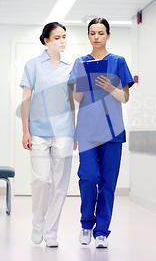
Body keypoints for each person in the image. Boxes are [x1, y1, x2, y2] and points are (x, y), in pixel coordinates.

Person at [68, 17, 134, 248]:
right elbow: (76, 99)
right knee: (88, 177)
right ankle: (86, 224)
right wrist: (80, 84)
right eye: (92, 33)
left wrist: (109, 87)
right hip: (86, 131)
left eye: (101, 33)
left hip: (112, 132)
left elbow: (125, 97)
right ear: (88, 36)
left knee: (107, 183)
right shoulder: (81, 63)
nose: (97, 37)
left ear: (107, 35)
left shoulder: (118, 62)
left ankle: (101, 231)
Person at [20, 22, 76, 247]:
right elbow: (26, 99)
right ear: (46, 41)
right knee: (41, 180)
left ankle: (52, 231)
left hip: (64, 132)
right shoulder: (33, 66)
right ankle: (38, 224)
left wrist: (75, 130)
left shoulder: (71, 67)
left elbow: (71, 101)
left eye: (64, 37)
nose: (62, 41)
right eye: (57, 38)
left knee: (60, 184)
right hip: (39, 131)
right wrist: (25, 130)